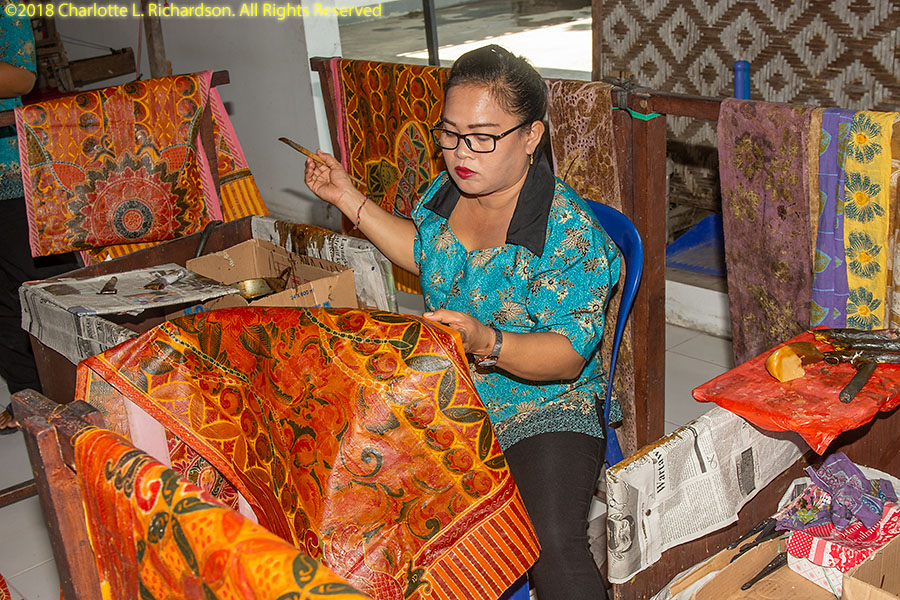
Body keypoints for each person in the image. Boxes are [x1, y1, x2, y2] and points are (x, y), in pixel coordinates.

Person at [305, 44, 620, 600]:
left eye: (481, 137)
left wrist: (486, 340)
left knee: (549, 543)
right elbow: (424, 251)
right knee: (346, 489)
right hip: (447, 389)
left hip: (544, 405)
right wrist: (347, 197)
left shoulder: (569, 234)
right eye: (449, 135)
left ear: (531, 136)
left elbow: (569, 356)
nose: (459, 154)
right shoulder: (447, 192)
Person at [0, 8, 77, 433]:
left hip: (12, 174)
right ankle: (28, 396)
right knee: (1, 300)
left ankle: (82, 390)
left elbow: (22, 78)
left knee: (46, 288)